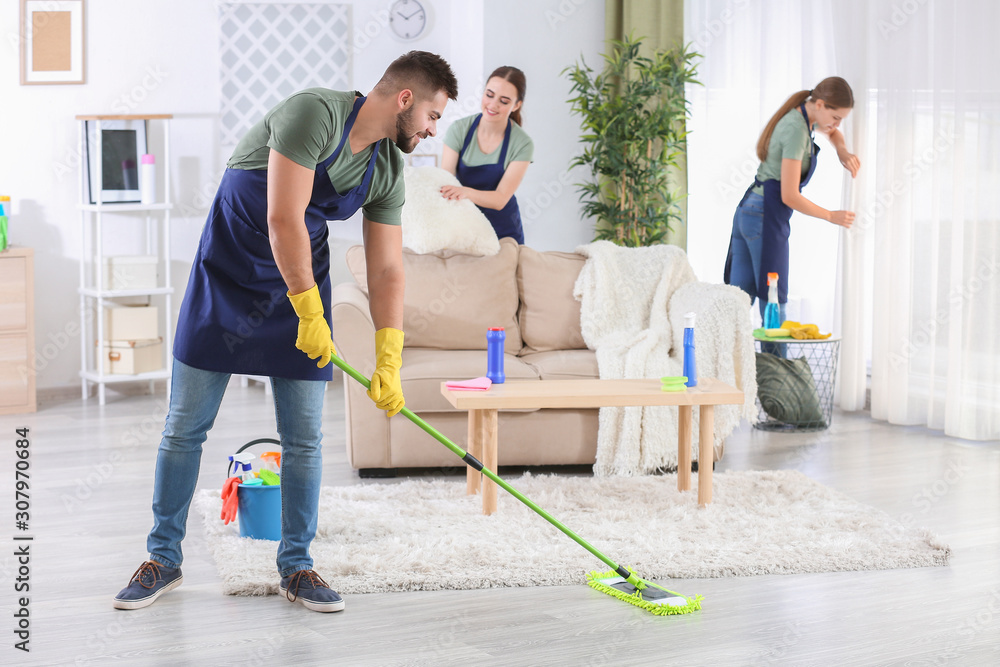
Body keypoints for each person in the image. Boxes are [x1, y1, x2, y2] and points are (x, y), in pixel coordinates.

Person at [113, 51, 458, 614]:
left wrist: (389, 355)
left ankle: (296, 567)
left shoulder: (389, 168)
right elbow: (282, 216)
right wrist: (310, 311)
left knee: (303, 438)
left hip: (299, 279)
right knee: (184, 427)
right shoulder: (312, 115)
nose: (431, 130)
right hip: (229, 271)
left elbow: (388, 269)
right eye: (432, 116)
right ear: (405, 100)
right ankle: (163, 560)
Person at [724, 76, 860, 324]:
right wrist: (831, 215)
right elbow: (789, 195)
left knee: (736, 302)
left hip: (749, 209)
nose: (836, 124)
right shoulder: (797, 130)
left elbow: (833, 133)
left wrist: (842, 150)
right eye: (836, 117)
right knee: (773, 301)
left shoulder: (802, 116)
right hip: (764, 215)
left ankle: (728, 361)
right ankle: (777, 363)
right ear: (820, 104)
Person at [440, 66, 533, 244]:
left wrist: (464, 191)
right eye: (489, 95)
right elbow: (447, 183)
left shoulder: (522, 143)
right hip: (464, 226)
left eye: (504, 101)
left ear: (517, 105)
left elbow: (500, 199)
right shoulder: (459, 130)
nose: (493, 105)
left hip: (503, 232)